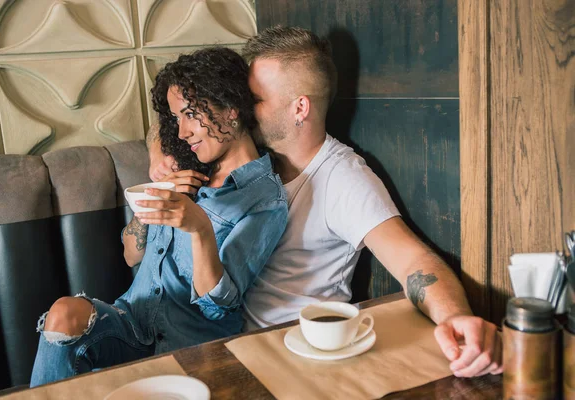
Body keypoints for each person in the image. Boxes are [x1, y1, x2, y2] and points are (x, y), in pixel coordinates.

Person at [236, 26, 501, 378]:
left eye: (255, 100)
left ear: (300, 107)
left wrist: (455, 319)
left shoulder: (343, 178)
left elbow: (414, 261)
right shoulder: (250, 160)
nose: (242, 110)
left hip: (300, 360)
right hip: (236, 343)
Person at [29, 47, 288, 386]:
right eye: (176, 118)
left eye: (190, 114)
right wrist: (156, 194)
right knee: (64, 312)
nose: (181, 132)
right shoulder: (189, 164)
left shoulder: (264, 199)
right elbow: (131, 253)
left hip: (193, 346)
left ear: (230, 108)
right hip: (130, 324)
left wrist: (199, 229)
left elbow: (219, 307)